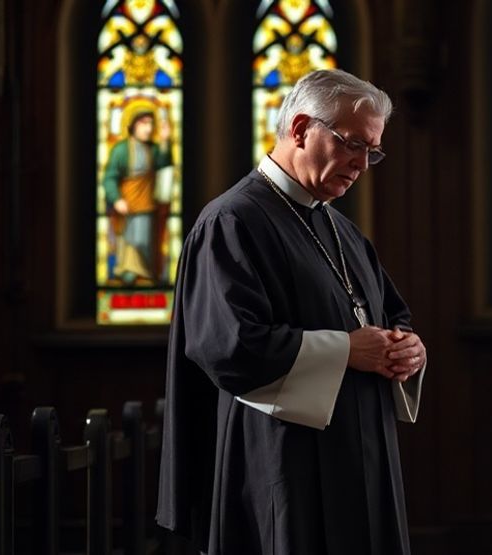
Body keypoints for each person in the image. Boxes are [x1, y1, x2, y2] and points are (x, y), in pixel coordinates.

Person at [157, 69, 427, 555]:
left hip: (363, 449)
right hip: (282, 458)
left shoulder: (341, 229)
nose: (363, 164)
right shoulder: (232, 220)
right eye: (353, 145)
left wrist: (406, 348)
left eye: (373, 151)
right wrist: (346, 351)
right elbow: (229, 346)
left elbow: (389, 313)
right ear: (302, 129)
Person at [101, 109, 172, 285]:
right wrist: (116, 198)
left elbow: (164, 163)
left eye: (151, 124)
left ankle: (144, 275)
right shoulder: (121, 150)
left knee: (143, 241)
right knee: (127, 241)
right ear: (133, 125)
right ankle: (128, 274)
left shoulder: (153, 149)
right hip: (127, 204)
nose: (148, 129)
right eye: (144, 124)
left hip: (146, 204)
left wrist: (164, 141)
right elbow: (110, 177)